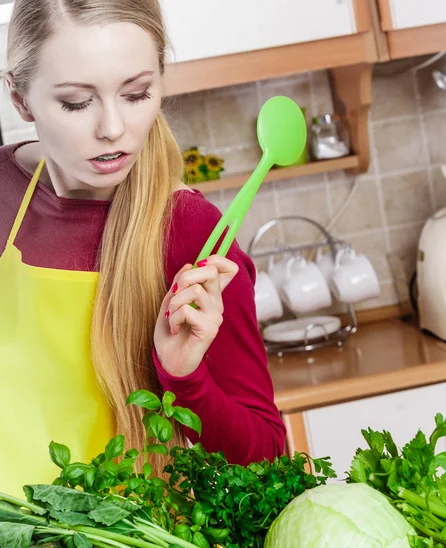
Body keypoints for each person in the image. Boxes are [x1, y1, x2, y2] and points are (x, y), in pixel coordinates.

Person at [0, 0, 286, 502]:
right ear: (20, 99)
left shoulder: (192, 232)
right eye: (75, 102)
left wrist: (183, 376)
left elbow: (268, 462)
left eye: (136, 94)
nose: (112, 128)